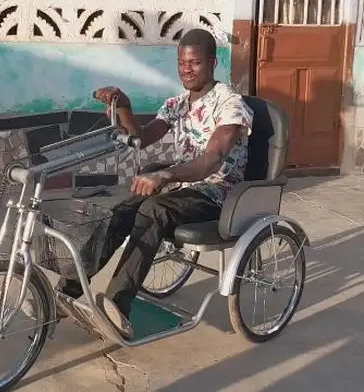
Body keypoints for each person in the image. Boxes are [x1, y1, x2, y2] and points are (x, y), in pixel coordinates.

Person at [26, 28, 254, 339]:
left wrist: (165, 175)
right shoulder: (177, 104)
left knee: (153, 210)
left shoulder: (230, 103)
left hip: (220, 194)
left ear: (213, 63)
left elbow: (213, 158)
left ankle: (117, 306)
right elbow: (142, 138)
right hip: (182, 187)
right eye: (182, 63)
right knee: (119, 210)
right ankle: (63, 295)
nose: (186, 70)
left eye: (195, 63)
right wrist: (124, 108)